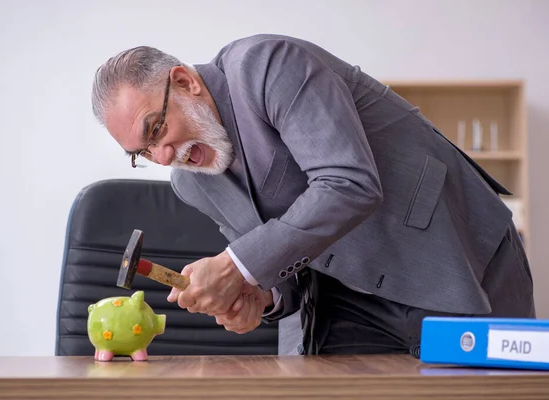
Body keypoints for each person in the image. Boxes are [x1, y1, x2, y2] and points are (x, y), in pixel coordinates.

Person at [90, 34, 535, 356]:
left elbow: (349, 184)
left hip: (447, 258)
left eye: (156, 129)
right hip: (341, 305)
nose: (163, 155)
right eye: (143, 151)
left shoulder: (267, 65)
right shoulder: (191, 182)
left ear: (185, 82)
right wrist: (257, 298)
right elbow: (279, 268)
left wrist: (237, 266)